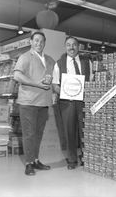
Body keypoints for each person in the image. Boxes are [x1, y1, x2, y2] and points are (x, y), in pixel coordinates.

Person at [13, 31, 55, 176]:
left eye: (42, 41)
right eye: (36, 40)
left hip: (43, 102)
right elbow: (17, 75)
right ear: (31, 42)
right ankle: (28, 163)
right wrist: (36, 84)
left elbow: (53, 81)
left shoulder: (49, 60)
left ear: (44, 43)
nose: (39, 43)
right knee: (29, 134)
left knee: (38, 134)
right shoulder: (25, 57)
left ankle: (35, 160)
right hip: (28, 102)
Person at [52, 36, 93, 170]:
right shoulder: (59, 63)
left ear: (78, 46)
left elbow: (91, 82)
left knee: (84, 130)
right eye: (68, 45)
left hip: (83, 102)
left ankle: (86, 157)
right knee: (69, 131)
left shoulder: (87, 62)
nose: (71, 47)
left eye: (74, 44)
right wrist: (63, 92)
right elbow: (54, 84)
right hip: (66, 103)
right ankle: (71, 159)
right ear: (65, 47)